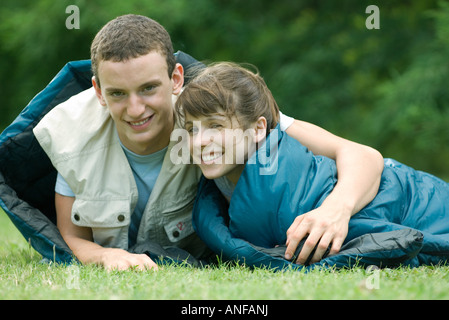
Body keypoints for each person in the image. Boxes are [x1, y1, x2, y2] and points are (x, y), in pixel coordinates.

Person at [33, 14, 383, 271]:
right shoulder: (70, 137)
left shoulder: (215, 111)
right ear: (97, 90)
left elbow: (358, 154)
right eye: (118, 94)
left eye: (149, 88)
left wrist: (336, 210)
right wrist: (108, 255)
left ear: (175, 78)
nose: (135, 108)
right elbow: (72, 238)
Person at [174, 62, 449, 267]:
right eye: (192, 130)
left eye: (215, 126)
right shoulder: (215, 163)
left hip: (403, 190)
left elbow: (365, 156)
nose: (198, 141)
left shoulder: (274, 133)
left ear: (257, 129)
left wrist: (334, 211)